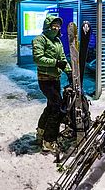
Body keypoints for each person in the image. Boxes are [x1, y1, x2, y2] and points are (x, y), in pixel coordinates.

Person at [32, 15, 72, 153]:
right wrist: (55, 63)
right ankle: (49, 141)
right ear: (48, 25)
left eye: (58, 26)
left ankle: (41, 133)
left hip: (55, 79)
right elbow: (38, 58)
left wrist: (69, 72)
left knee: (51, 106)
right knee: (57, 108)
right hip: (45, 79)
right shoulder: (39, 40)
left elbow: (62, 59)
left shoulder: (57, 41)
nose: (56, 28)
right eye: (54, 25)